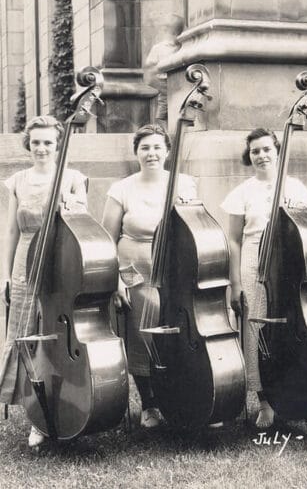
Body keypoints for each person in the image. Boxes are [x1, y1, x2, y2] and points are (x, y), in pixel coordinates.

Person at [0, 116, 88, 448]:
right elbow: (11, 231)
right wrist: (6, 275)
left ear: (58, 144)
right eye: (36, 142)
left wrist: (71, 204)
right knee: (27, 336)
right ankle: (36, 417)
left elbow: (82, 223)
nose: (41, 148)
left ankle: (70, 403)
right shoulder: (18, 181)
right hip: (26, 260)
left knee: (57, 336)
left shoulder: (73, 178)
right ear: (28, 144)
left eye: (48, 142)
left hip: (62, 262)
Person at [101, 124, 196, 429]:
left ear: (167, 151)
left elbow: (196, 229)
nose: (151, 153)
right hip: (135, 272)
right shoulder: (122, 188)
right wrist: (115, 280)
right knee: (142, 336)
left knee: (179, 332)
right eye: (145, 147)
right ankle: (149, 404)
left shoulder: (184, 184)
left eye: (157, 147)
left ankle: (183, 397)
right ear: (136, 153)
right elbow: (107, 239)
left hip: (175, 269)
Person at [221, 128, 307, 428]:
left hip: (289, 263)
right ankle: (265, 403)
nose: (261, 155)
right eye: (255, 151)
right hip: (253, 262)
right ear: (249, 156)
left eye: (265, 149)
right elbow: (234, 240)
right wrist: (235, 283)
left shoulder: (296, 188)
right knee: (257, 329)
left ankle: (303, 393)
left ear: (277, 151)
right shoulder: (242, 192)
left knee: (296, 326)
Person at [143, 14, 184, 126]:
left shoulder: (182, 47)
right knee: (163, 109)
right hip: (164, 82)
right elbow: (150, 67)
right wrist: (158, 71)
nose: (178, 37)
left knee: (179, 108)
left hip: (179, 82)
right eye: (175, 33)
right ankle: (165, 132)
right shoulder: (159, 48)